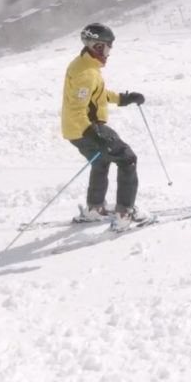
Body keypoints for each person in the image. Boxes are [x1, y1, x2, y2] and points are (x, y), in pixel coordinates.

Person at [61, 23, 150, 229]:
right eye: (108, 47)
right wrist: (95, 135)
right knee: (127, 159)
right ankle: (125, 214)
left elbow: (97, 94)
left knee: (100, 161)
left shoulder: (85, 65)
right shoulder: (86, 73)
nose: (110, 52)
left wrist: (122, 98)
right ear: (97, 46)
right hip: (86, 128)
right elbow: (77, 109)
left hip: (75, 130)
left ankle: (95, 209)